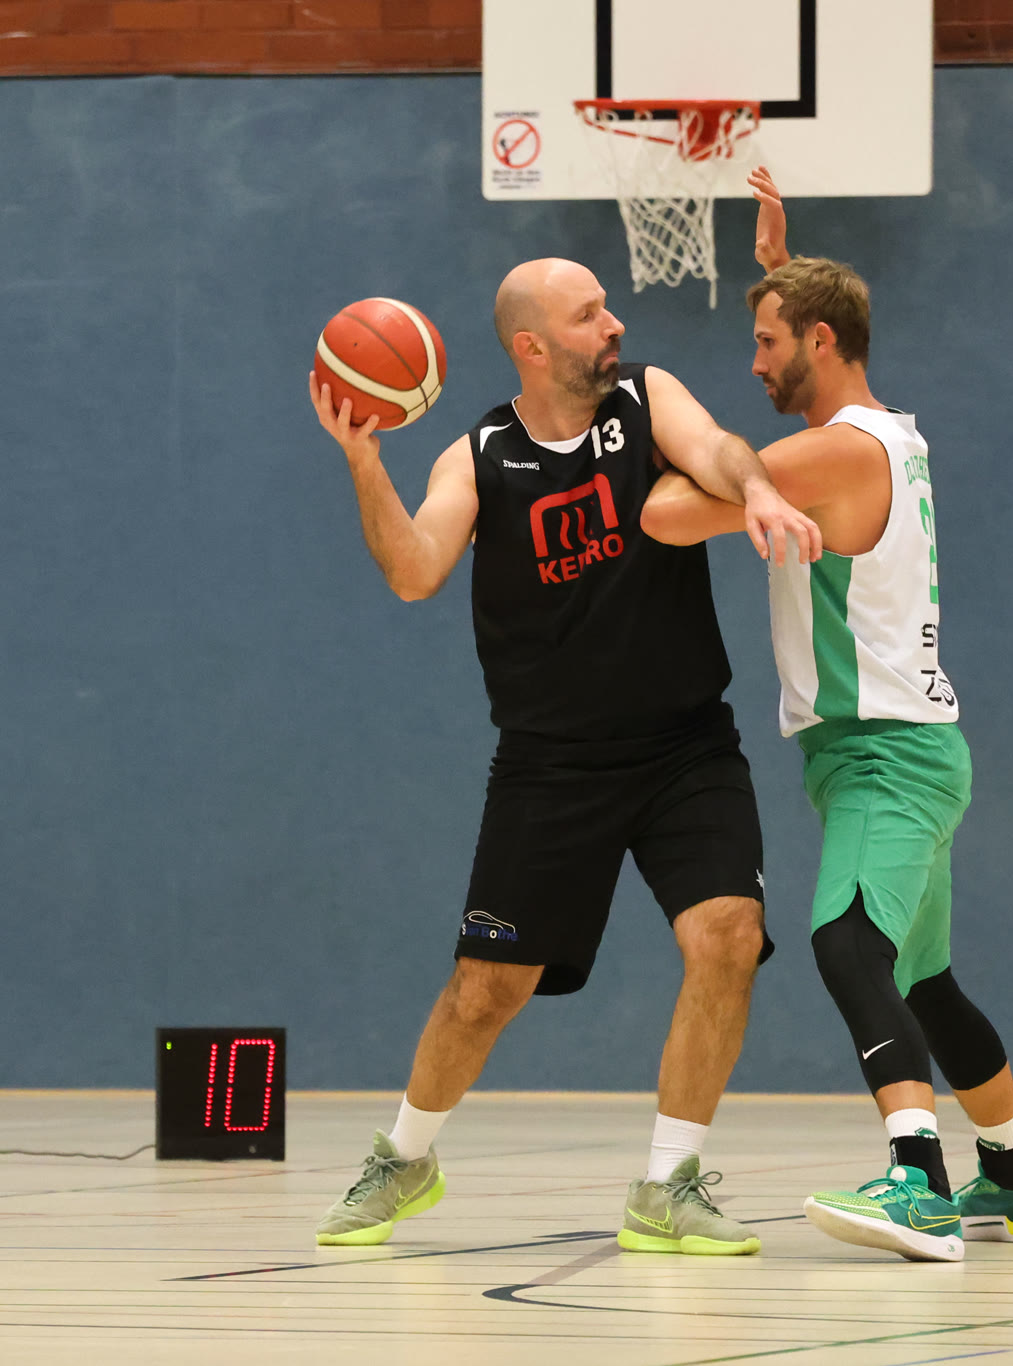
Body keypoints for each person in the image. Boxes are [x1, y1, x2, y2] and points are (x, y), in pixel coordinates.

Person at [307, 257, 821, 1253]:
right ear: (532, 346)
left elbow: (715, 449)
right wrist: (364, 460)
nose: (613, 324)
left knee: (727, 935)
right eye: (590, 315)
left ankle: (666, 1184)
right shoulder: (477, 457)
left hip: (684, 746)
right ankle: (404, 1158)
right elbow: (412, 571)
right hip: (550, 764)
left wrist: (755, 489)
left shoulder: (647, 398)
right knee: (485, 990)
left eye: (607, 308)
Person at [639, 173, 1013, 1262]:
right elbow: (812, 348)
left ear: (820, 342)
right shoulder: (889, 434)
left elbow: (668, 515)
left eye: (767, 340)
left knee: (844, 942)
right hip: (901, 749)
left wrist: (670, 438)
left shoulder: (833, 452)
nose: (753, 362)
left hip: (884, 755)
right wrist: (781, 269)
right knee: (924, 980)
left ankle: (917, 1181)